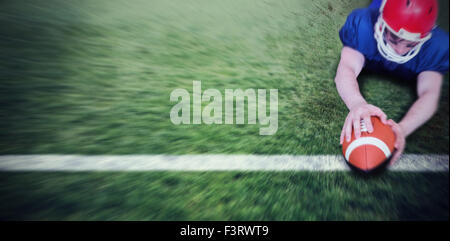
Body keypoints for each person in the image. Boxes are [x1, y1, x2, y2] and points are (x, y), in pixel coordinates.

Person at [335, 0, 449, 164]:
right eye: (394, 38)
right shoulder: (364, 24)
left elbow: (429, 94)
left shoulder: (437, 46)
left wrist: (403, 128)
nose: (400, 50)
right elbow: (347, 67)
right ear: (381, 24)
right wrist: (356, 103)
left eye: (410, 43)